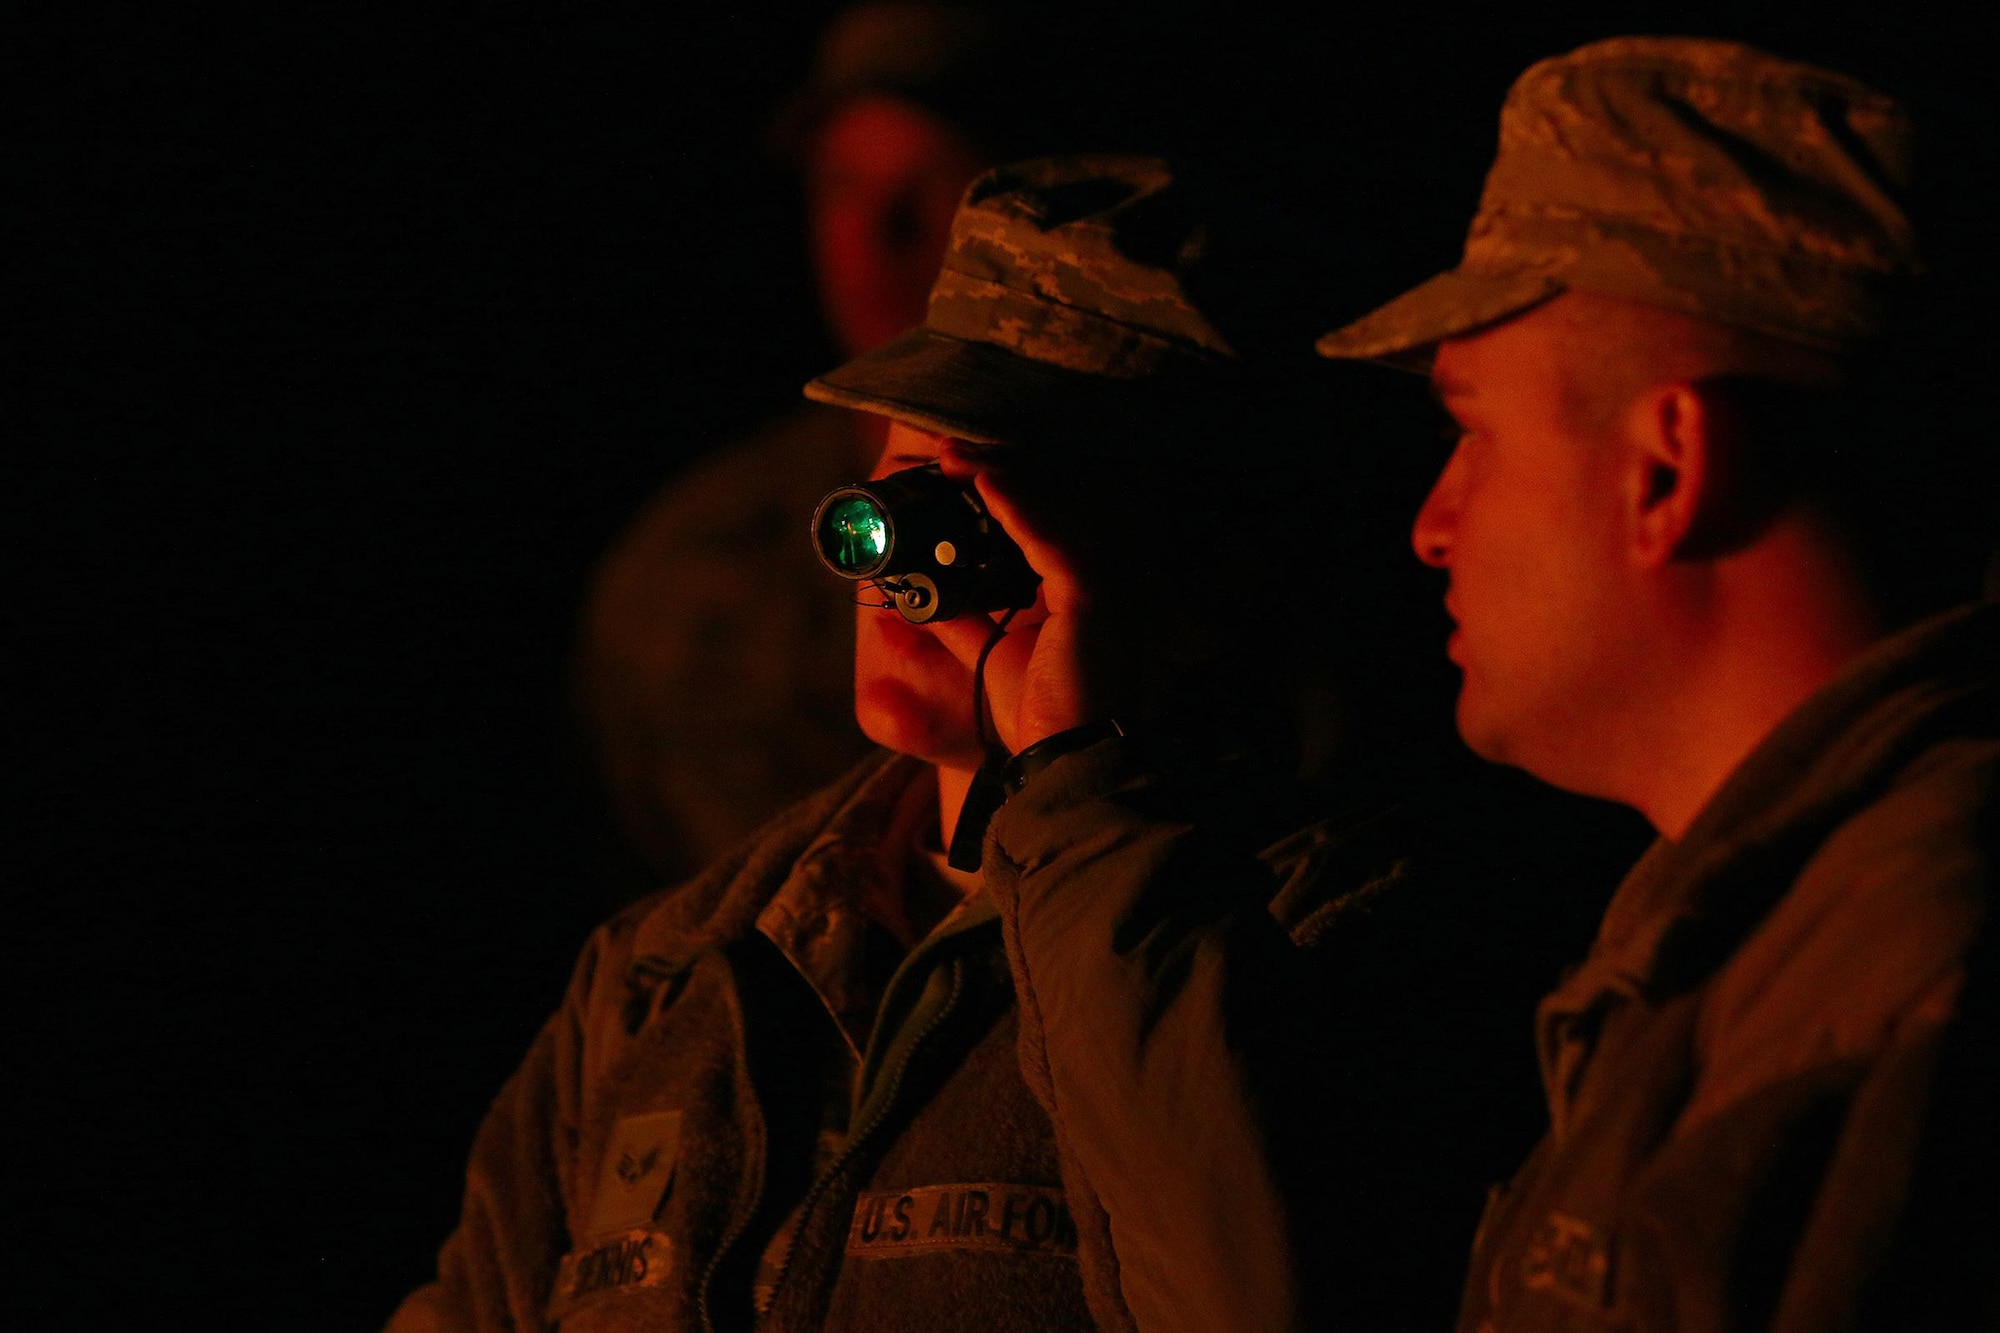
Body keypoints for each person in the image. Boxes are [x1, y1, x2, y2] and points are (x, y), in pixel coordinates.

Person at [400, 154, 1556, 1333]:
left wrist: (1076, 785)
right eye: (905, 487)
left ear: (1208, 577)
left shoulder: (1342, 943)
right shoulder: (674, 975)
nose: (905, 571)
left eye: (991, 512)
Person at [1307, 37, 1997, 1329]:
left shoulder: (1902, 990)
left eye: (1473, 429)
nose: (1432, 523)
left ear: (1665, 470)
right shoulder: (1747, 954)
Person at [574, 1, 1000, 887]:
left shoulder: (1142, 528)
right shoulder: (705, 559)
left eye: (935, 182)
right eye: (842, 185)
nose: (878, 235)